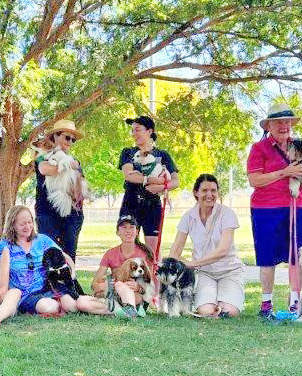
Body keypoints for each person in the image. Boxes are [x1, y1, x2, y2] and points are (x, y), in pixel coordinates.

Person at [247, 104, 302, 317]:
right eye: (278, 122)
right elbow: (254, 179)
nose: (284, 126)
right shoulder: (260, 148)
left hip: (299, 206)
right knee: (267, 257)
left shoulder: (301, 145)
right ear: (270, 126)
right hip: (266, 208)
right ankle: (266, 304)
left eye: (287, 122)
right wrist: (285, 172)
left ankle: (295, 302)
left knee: (298, 256)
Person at [168, 174, 245, 318]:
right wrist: (169, 270)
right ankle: (212, 300)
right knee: (206, 311)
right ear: (196, 193)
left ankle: (231, 299)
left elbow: (223, 250)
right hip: (205, 273)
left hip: (230, 271)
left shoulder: (227, 214)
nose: (209, 195)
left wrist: (192, 264)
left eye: (213, 191)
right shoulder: (188, 217)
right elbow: (176, 248)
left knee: (229, 312)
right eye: (204, 190)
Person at [3, 205, 98, 318]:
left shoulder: (42, 240)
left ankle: (106, 304)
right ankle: (57, 307)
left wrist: (72, 275)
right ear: (12, 225)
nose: (27, 226)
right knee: (50, 307)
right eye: (22, 224)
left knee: (72, 306)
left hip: (50, 287)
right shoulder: (5, 246)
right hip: (26, 294)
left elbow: (65, 257)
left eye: (29, 222)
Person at [118, 115, 179, 255]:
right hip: (131, 202)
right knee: (129, 248)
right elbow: (129, 175)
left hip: (153, 205)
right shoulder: (128, 152)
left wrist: (162, 187)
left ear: (149, 131)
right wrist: (152, 180)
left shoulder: (162, 155)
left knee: (152, 251)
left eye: (137, 130)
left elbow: (175, 181)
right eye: (132, 130)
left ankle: (151, 276)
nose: (134, 134)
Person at [82, 215, 155, 317]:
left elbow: (150, 282)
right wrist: (103, 287)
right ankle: (124, 312)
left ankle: (130, 309)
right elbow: (95, 283)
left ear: (137, 231)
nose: (128, 231)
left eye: (132, 227)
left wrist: (139, 287)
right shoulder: (110, 254)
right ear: (117, 232)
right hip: (114, 295)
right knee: (81, 302)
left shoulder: (145, 253)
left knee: (121, 286)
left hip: (136, 295)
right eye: (124, 227)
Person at [35, 120, 87, 260]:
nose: (70, 142)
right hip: (47, 214)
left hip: (72, 215)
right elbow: (44, 169)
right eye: (67, 137)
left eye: (73, 139)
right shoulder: (42, 156)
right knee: (48, 255)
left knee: (69, 257)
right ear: (55, 136)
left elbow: (79, 189)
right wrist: (68, 166)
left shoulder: (75, 161)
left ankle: (69, 280)